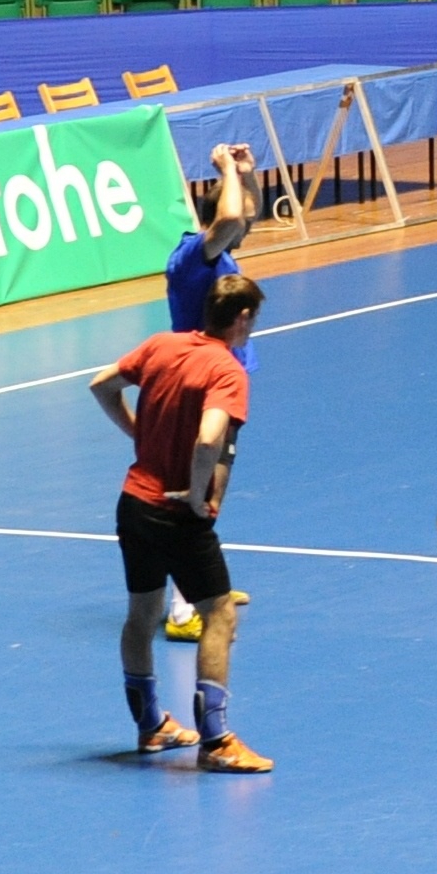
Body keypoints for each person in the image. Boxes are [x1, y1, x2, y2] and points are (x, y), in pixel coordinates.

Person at [91, 271, 272, 774]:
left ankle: (152, 726)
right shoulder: (227, 371)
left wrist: (138, 434)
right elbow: (209, 438)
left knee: (142, 614)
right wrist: (196, 494)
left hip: (133, 503)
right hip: (177, 514)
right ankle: (215, 741)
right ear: (241, 318)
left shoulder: (162, 345)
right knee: (220, 616)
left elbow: (101, 386)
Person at [158, 140, 256, 640]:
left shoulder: (224, 261)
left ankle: (201, 586)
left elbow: (244, 215)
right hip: (200, 391)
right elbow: (232, 220)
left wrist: (245, 172)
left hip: (226, 387)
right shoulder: (191, 258)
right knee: (193, 494)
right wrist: (222, 168)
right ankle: (180, 610)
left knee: (213, 491)